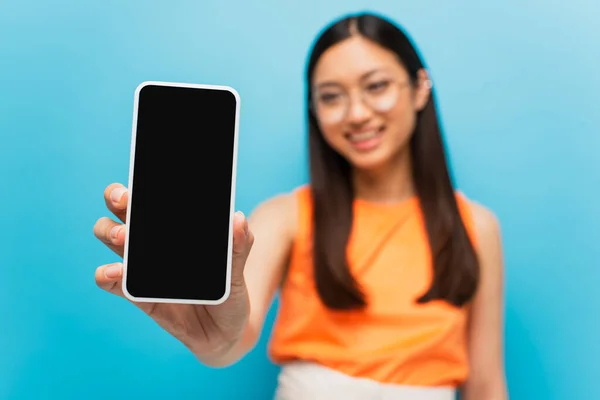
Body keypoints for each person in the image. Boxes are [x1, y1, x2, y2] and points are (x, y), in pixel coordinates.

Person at [93, 12, 508, 400]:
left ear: (419, 88)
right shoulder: (285, 217)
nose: (357, 113)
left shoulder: (476, 227)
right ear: (314, 109)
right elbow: (228, 341)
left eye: (376, 86)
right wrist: (213, 335)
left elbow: (486, 384)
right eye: (331, 97)